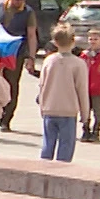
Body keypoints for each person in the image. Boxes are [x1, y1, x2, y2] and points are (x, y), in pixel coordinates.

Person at [0, 0, 44, 132]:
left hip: (16, 54)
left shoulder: (28, 12)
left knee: (11, 85)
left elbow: (32, 35)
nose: (20, 2)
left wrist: (31, 57)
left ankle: (6, 119)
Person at [36, 27, 89, 163]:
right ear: (73, 41)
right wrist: (85, 113)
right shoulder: (79, 64)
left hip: (50, 108)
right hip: (68, 111)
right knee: (66, 145)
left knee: (48, 143)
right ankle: (62, 172)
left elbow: (42, 85)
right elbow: (82, 90)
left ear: (55, 42)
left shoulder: (48, 61)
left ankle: (44, 170)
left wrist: (42, 106)